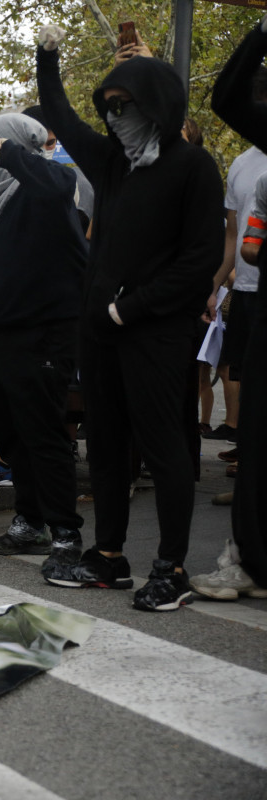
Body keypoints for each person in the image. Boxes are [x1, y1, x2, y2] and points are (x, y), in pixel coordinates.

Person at [35, 25, 225, 611]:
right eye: (110, 106)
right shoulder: (114, 163)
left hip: (157, 332)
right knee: (108, 445)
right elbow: (63, 118)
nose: (115, 117)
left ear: (158, 106)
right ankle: (109, 555)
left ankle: (171, 567)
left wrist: (130, 307)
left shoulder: (194, 167)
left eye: (126, 105)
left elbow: (199, 260)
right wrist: (47, 58)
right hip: (101, 334)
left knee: (164, 449)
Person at [0, 113, 87, 558]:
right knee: (12, 436)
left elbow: (58, 183)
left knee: (44, 435)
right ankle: (29, 522)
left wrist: (16, 156)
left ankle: (65, 533)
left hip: (40, 335)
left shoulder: (44, 191)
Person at [193, 18, 267, 600]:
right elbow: (227, 98)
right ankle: (250, 557)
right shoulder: (248, 160)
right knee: (256, 425)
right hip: (254, 296)